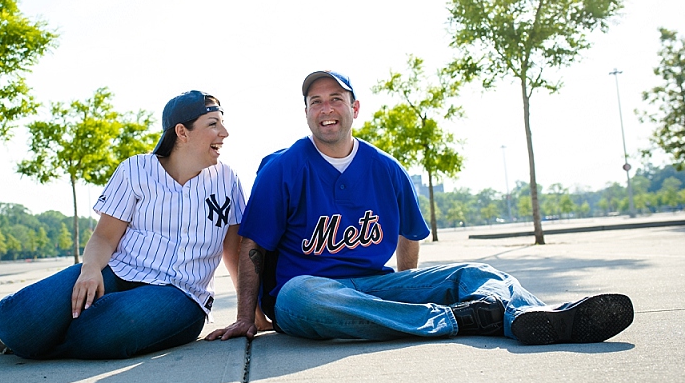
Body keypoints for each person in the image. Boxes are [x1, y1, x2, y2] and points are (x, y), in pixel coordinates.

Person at [208, 71, 634, 346]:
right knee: (302, 297)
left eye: (335, 98)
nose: (326, 108)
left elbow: (410, 235)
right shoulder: (282, 166)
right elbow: (252, 246)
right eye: (315, 101)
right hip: (313, 292)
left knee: (479, 273)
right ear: (306, 114)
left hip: (375, 285)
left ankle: (535, 317)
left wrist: (407, 289)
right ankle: (457, 320)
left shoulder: (387, 168)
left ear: (354, 108)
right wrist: (248, 316)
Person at [0, 90, 248, 360]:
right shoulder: (134, 170)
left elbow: (234, 252)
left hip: (181, 294)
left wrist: (249, 313)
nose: (224, 133)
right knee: (14, 322)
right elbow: (104, 237)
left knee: (113, 325)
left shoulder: (227, 180)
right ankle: (30, 337)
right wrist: (90, 271)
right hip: (119, 271)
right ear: (182, 132)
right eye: (213, 124)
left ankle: (47, 341)